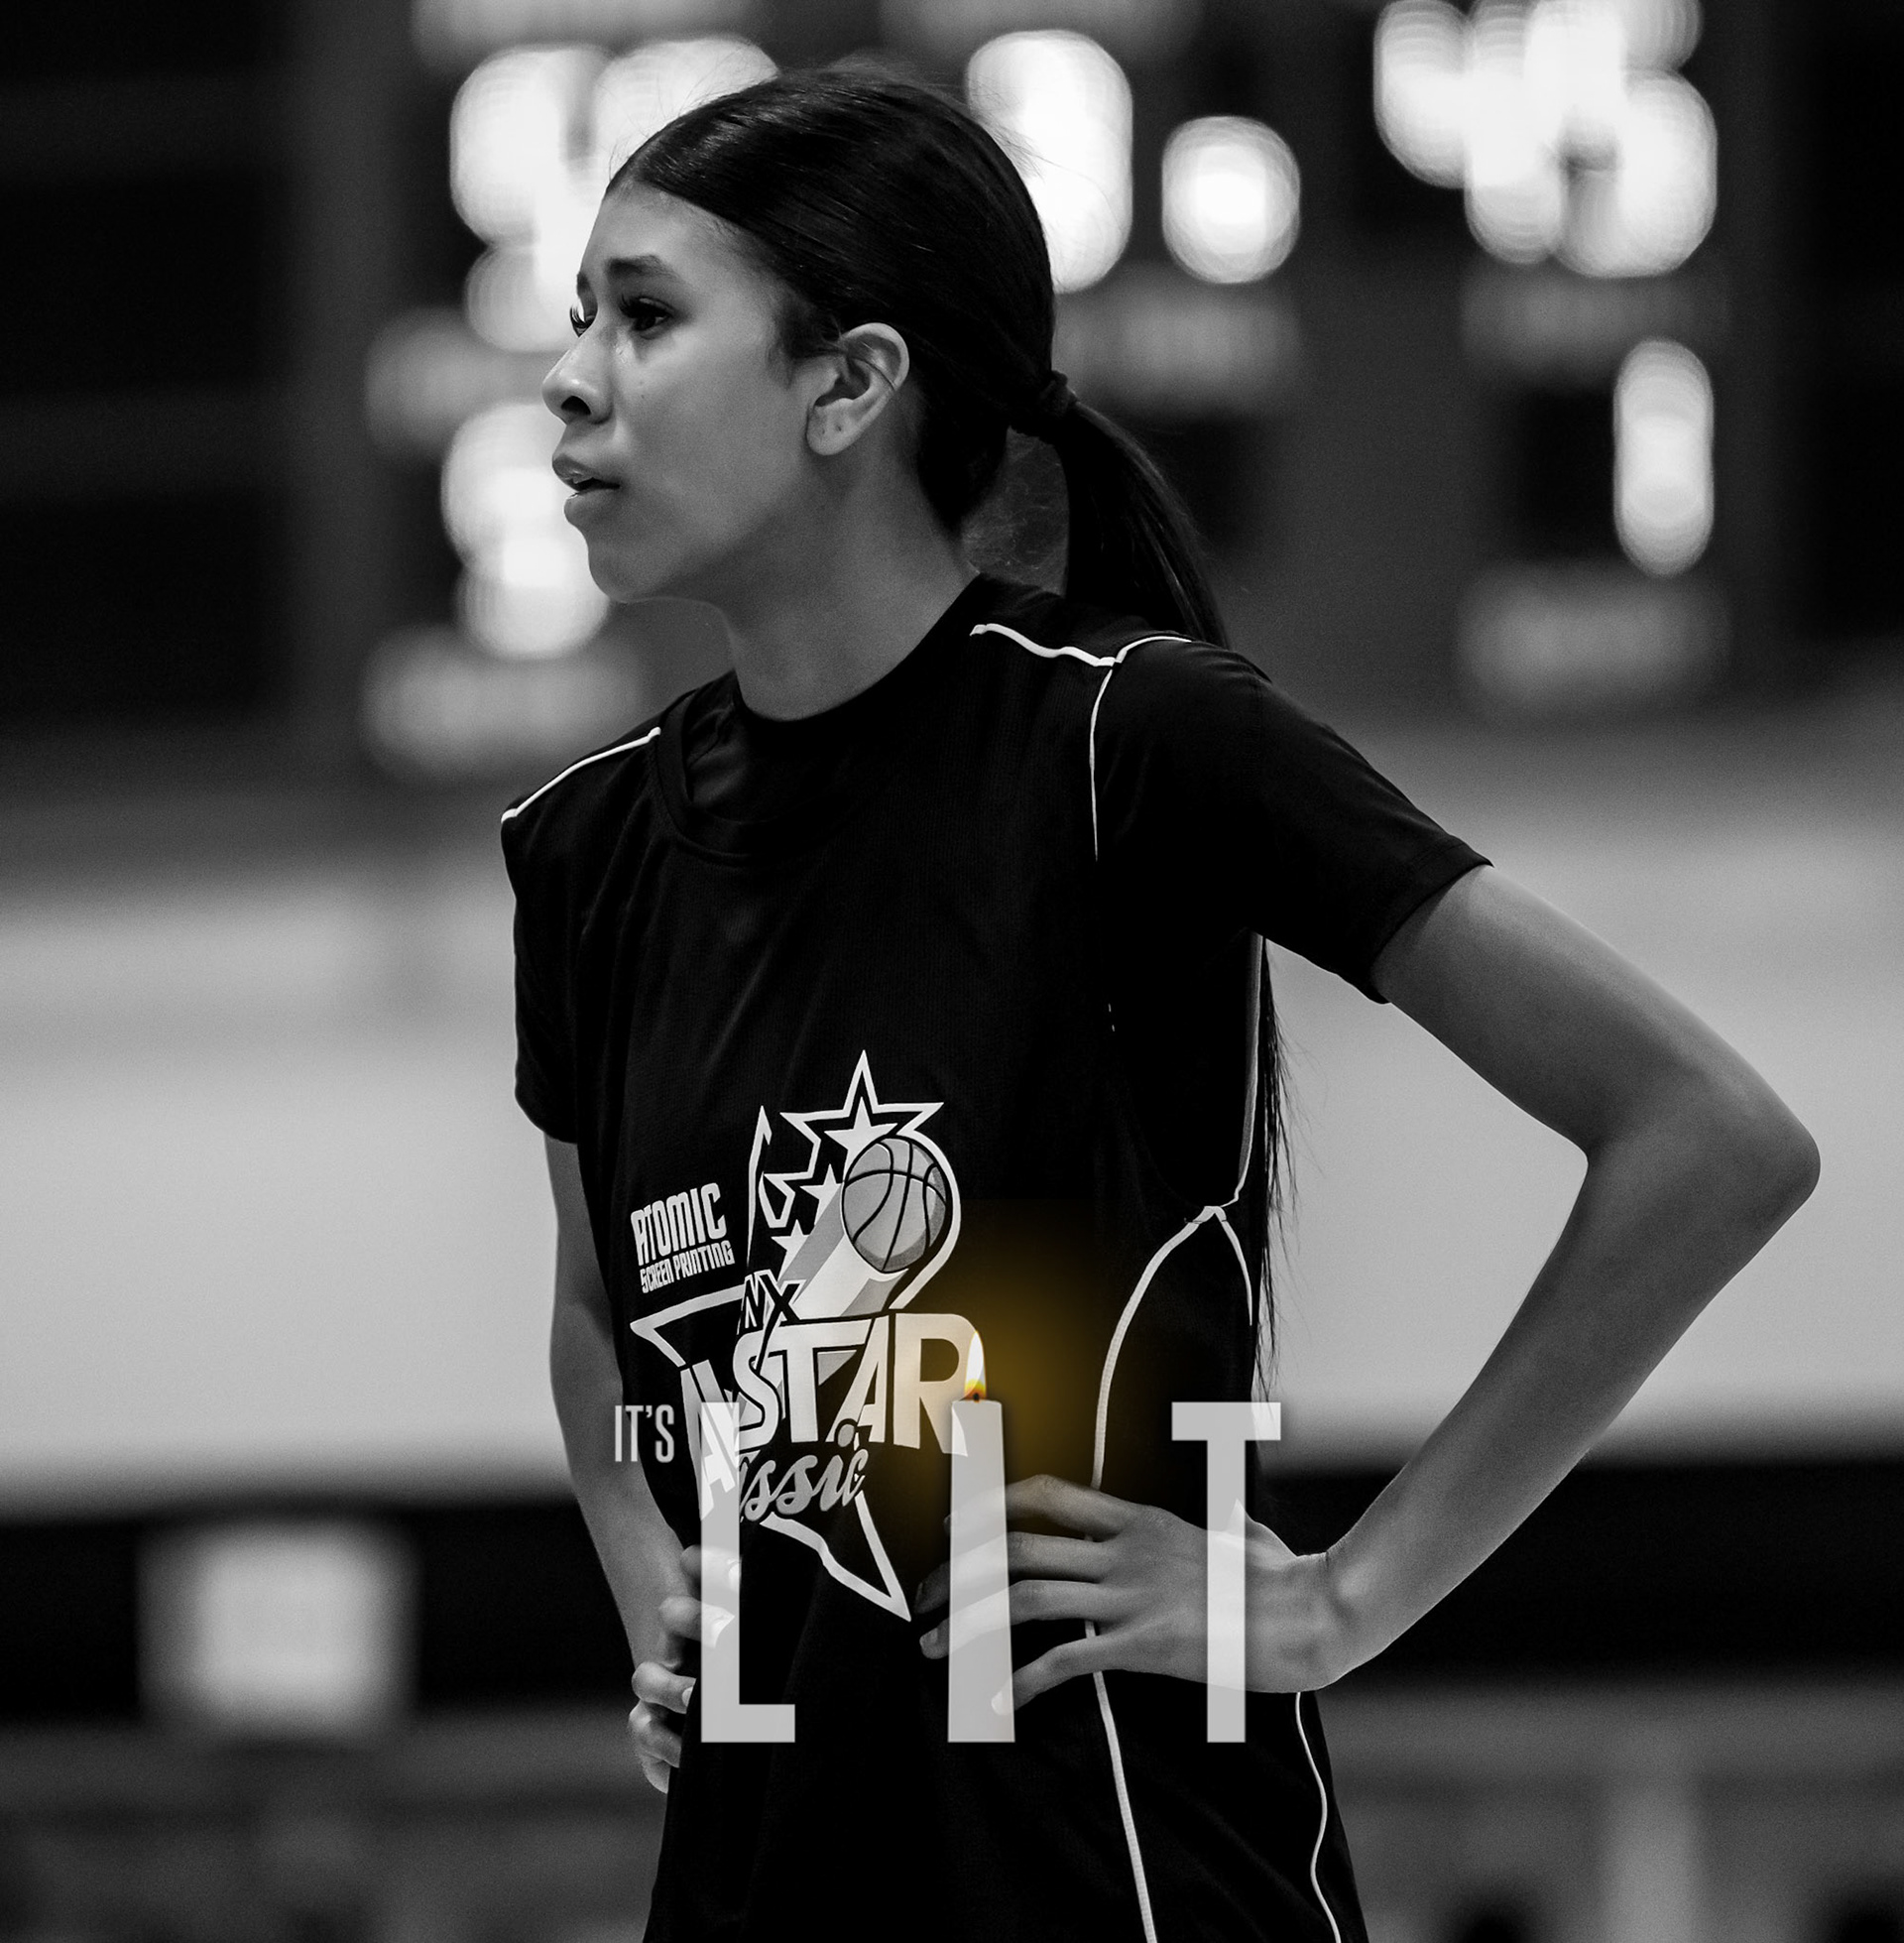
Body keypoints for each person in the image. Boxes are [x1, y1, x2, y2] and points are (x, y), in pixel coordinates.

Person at [501, 69, 1818, 1943]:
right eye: (579, 318)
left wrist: (1345, 1597)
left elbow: (1709, 1140)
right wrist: (659, 1581)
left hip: (1126, 1881)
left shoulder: (1134, 738)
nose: (570, 380)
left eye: (643, 315)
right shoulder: (585, 850)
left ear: (848, 385)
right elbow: (600, 1305)